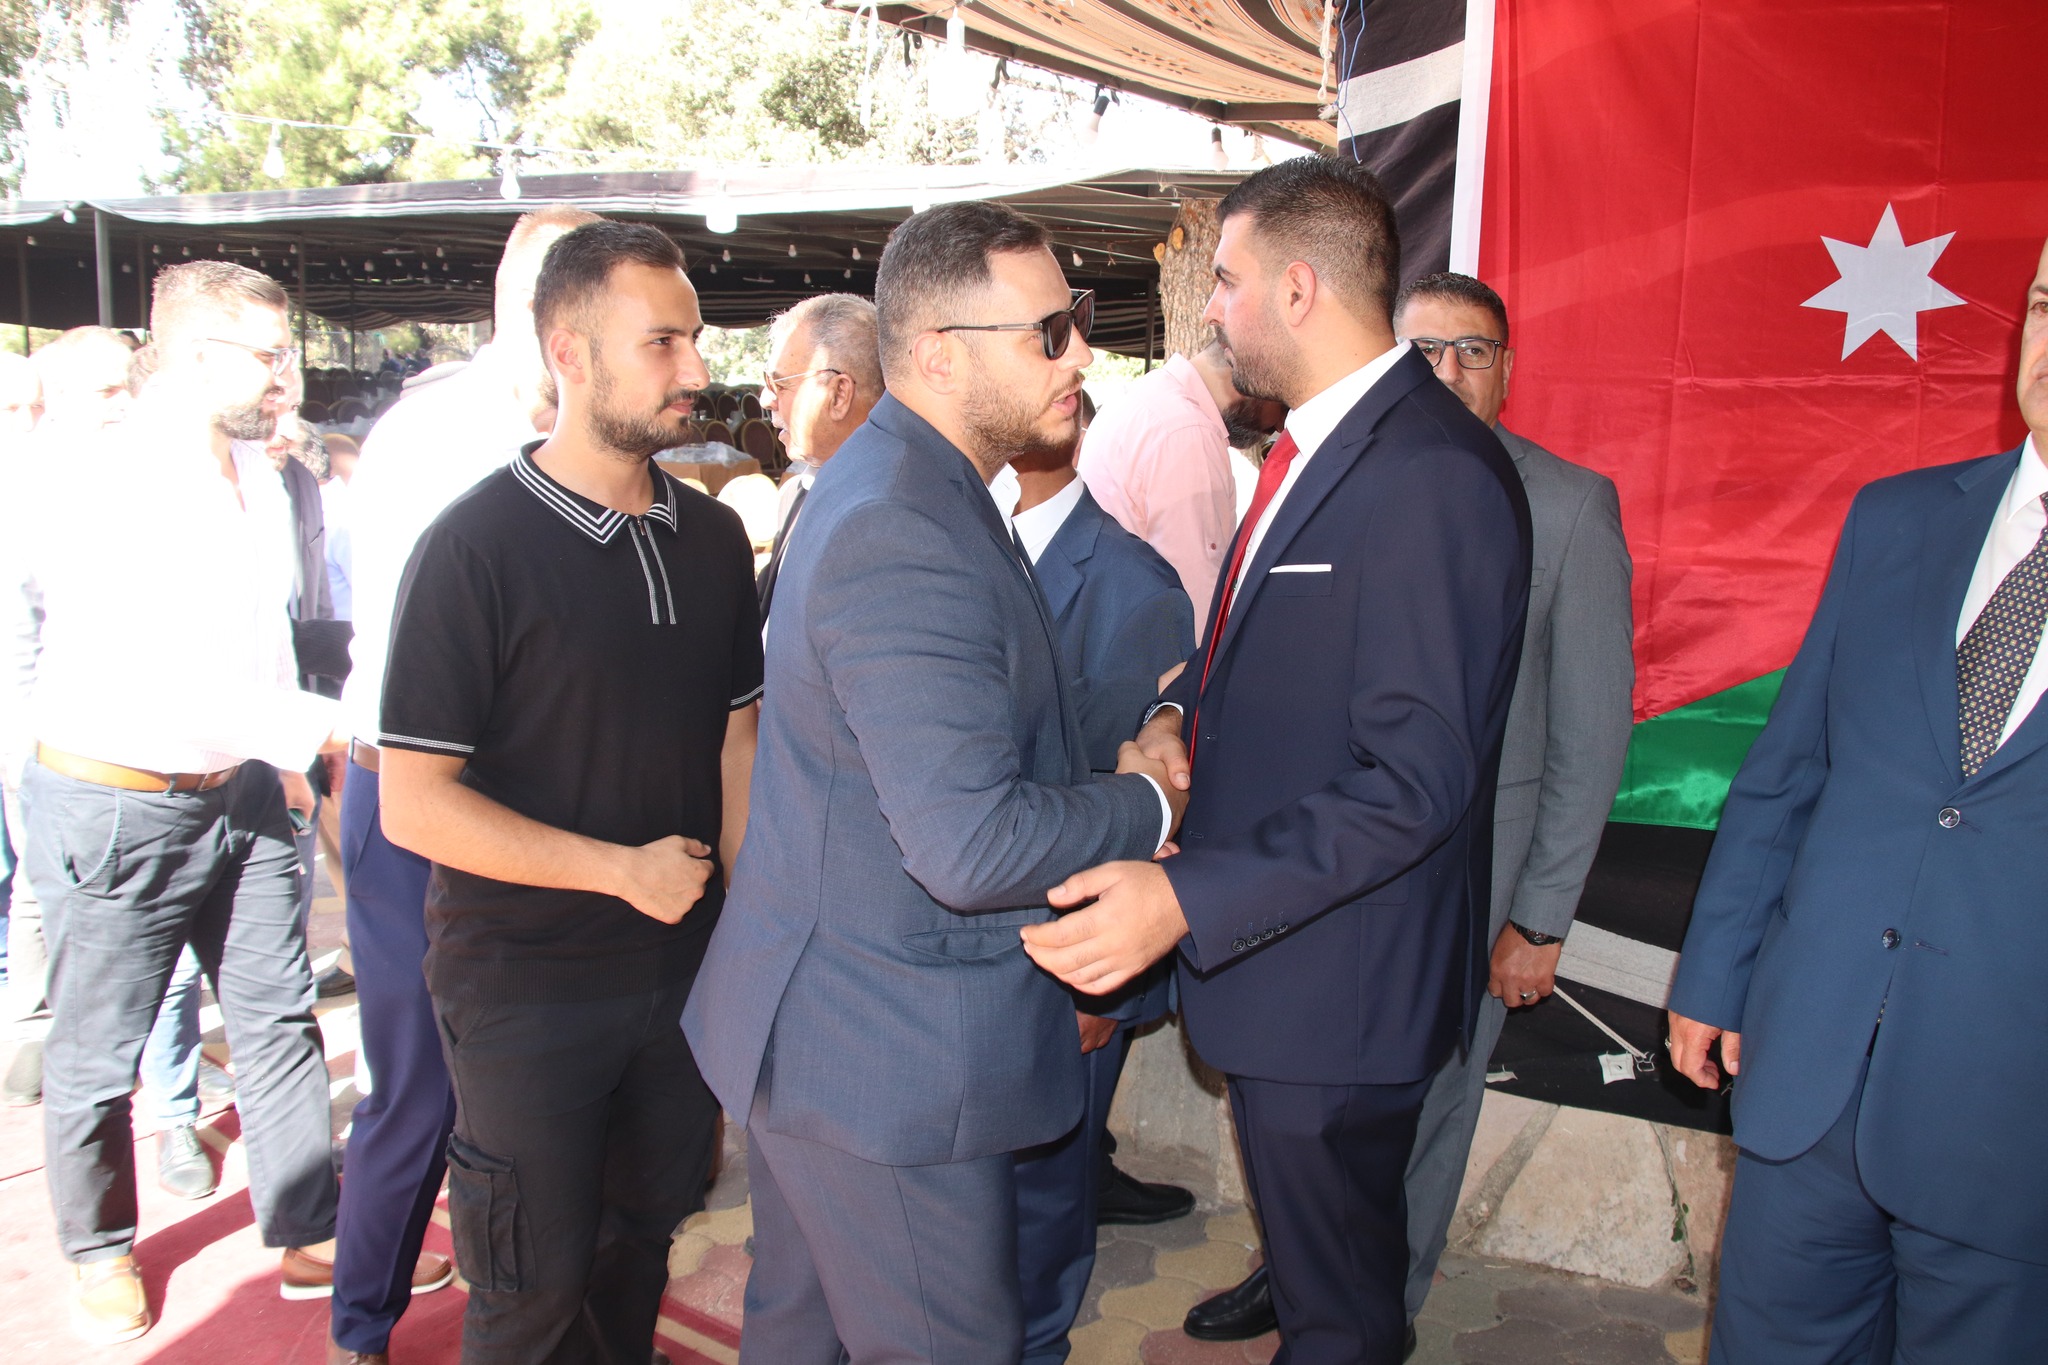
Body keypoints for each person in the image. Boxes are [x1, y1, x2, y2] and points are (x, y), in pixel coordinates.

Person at [1021, 157, 1532, 1365]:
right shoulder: (1321, 450)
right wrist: (1175, 717)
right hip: (1293, 972)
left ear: (1298, 289)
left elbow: (1413, 781)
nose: (1211, 309)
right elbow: (1273, 655)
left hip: (1339, 987)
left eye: (1227, 281)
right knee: (1319, 1290)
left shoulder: (1425, 474)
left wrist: (1182, 899)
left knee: (1338, 1319)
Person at [683, 201, 1184, 1365]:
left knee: (804, 1338)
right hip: (881, 1060)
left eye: (1076, 318)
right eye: (1047, 331)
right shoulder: (901, 520)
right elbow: (968, 843)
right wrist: (1149, 804)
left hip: (843, 1040)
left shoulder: (924, 486)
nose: (1079, 353)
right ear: (938, 354)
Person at [1184, 271, 1637, 1345]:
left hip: (1478, 882)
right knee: (1326, 1128)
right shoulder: (1333, 472)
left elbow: (1588, 735)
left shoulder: (1567, 505)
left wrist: (1539, 917)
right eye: (1426, 349)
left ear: (1506, 371)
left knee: (1425, 1115)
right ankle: (1301, 1273)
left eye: (1472, 352)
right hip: (1338, 875)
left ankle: (1382, 1304)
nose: (1448, 371)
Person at [377, 220, 759, 1365]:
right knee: (529, 1293)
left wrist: (742, 932)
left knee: (638, 1248)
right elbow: (413, 803)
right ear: (570, 355)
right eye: (662, 343)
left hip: (678, 981)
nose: (695, 367)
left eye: (694, 337)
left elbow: (735, 743)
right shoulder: (473, 548)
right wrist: (618, 871)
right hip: (525, 989)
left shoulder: (712, 538)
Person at [1663, 239, 2048, 1361]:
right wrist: (1714, 974)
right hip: (1811, 1077)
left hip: (2012, 1129)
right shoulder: (1898, 517)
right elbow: (1789, 770)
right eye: (2045, 303)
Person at [14, 261, 352, 1344]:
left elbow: (263, 634)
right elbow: (160, 679)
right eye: (268, 354)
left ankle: (309, 1230)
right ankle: (99, 1249)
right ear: (199, 354)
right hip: (117, 800)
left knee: (277, 1013)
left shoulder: (257, 466)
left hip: (241, 786)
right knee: (100, 1047)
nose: (284, 375)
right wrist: (327, 731)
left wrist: (288, 766)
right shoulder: (107, 476)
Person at [326, 205, 597, 1365]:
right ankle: (361, 1327)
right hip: (422, 803)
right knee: (422, 1089)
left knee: (539, 1082)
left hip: (527, 809)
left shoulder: (574, 437)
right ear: (539, 315)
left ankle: (540, 1314)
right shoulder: (444, 438)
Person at [1005, 422, 1198, 1363]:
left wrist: (1099, 988)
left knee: (1043, 1205)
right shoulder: (949, 543)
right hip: (953, 956)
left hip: (1066, 958)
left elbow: (1133, 804)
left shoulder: (1132, 582)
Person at [1, 326, 137, 1111]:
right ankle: (35, 1034)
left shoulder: (135, 471)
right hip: (56, 749)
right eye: (107, 391)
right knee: (45, 888)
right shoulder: (31, 487)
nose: (125, 403)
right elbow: (17, 635)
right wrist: (26, 753)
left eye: (130, 386)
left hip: (134, 750)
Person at [1077, 334, 1285, 627]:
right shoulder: (1188, 431)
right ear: (1252, 377)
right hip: (1145, 640)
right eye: (1284, 404)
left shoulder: (1148, 396)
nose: (1279, 425)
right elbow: (1197, 605)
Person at [755, 293, 881, 624]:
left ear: (839, 394)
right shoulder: (796, 492)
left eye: (779, 383)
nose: (766, 399)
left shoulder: (888, 517)